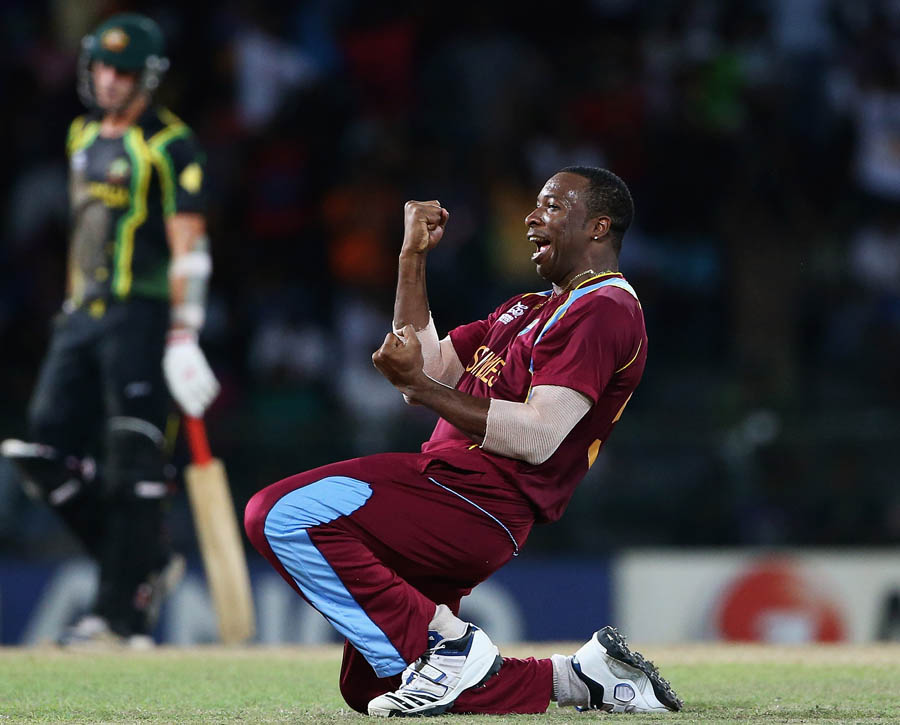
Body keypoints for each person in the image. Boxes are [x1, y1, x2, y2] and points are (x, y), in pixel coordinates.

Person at [244, 167, 683, 715]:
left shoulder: (606, 308)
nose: (530, 217)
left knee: (279, 514)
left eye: (551, 206)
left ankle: (452, 643)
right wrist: (412, 259)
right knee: (373, 687)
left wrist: (419, 385)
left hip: (475, 497)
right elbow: (428, 368)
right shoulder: (526, 308)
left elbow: (540, 436)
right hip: (456, 497)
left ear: (598, 227)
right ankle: (582, 679)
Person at [0, 13, 219, 646]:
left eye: (121, 70)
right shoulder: (80, 134)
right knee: (41, 452)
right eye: (99, 64)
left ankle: (117, 615)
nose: (107, 78)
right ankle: (144, 561)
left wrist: (184, 333)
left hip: (143, 316)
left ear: (147, 77)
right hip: (82, 316)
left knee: (131, 460)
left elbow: (190, 248)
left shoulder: (169, 144)